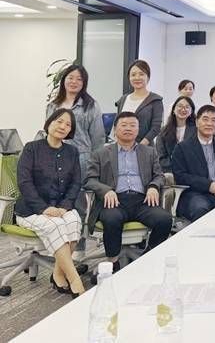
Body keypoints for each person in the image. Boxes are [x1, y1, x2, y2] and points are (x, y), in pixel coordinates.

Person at [85, 112, 172, 272]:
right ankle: (113, 262)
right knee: (111, 219)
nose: (128, 128)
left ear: (138, 130)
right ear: (115, 129)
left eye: (133, 125)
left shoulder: (149, 152)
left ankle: (148, 255)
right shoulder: (101, 153)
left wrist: (153, 186)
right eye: (124, 125)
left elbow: (159, 175)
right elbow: (90, 179)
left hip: (142, 200)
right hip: (114, 200)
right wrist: (106, 190)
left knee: (165, 219)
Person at [15, 109, 84, 297]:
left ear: (70, 130)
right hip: (31, 209)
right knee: (56, 225)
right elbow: (24, 182)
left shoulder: (72, 152)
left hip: (61, 207)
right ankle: (75, 279)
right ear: (50, 122)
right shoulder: (32, 148)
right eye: (59, 121)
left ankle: (57, 274)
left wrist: (64, 206)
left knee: (74, 221)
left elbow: (76, 183)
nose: (63, 126)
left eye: (68, 124)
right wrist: (44, 208)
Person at [172, 105, 215, 221]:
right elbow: (180, 176)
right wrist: (208, 185)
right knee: (200, 210)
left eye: (214, 120)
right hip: (194, 193)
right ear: (197, 122)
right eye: (205, 119)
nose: (209, 124)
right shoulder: (182, 147)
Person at [46, 64, 105, 176]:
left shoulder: (91, 106)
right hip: (54, 157)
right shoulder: (53, 106)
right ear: (64, 80)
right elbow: (48, 131)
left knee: (78, 186)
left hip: (81, 159)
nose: (74, 82)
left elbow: (98, 137)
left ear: (84, 83)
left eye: (79, 79)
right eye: (71, 78)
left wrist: (96, 162)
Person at [115, 60, 163, 146]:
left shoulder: (155, 100)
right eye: (133, 75)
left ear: (148, 77)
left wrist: (140, 147)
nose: (137, 78)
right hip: (122, 148)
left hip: (144, 148)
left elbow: (156, 127)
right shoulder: (123, 99)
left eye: (141, 74)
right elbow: (117, 124)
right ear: (129, 78)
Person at [155, 97, 196, 173]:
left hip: (192, 171)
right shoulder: (163, 131)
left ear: (191, 112)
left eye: (187, 107)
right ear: (173, 110)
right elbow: (160, 157)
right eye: (180, 106)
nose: (183, 109)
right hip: (170, 171)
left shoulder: (197, 130)